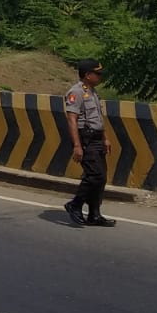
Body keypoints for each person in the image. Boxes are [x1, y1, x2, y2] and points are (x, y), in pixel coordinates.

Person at [63, 58, 116, 227]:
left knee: (101, 178)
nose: (100, 77)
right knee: (95, 175)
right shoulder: (76, 92)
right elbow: (72, 120)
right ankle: (75, 204)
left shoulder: (93, 92)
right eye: (97, 74)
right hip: (85, 138)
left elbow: (98, 119)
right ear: (87, 75)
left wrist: (105, 137)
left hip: (97, 137)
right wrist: (77, 146)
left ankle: (94, 214)